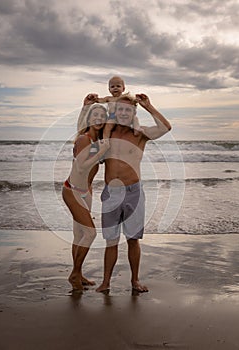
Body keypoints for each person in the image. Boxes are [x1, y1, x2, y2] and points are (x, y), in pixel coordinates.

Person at [96, 93, 172, 293]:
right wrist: (85, 105)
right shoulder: (107, 134)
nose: (123, 112)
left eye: (127, 110)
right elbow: (84, 132)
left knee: (132, 239)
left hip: (133, 192)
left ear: (133, 113)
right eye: (120, 109)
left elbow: (166, 128)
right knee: (111, 241)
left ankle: (134, 281)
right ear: (115, 111)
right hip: (112, 192)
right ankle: (106, 282)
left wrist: (149, 106)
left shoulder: (140, 134)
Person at [62, 103, 110, 291]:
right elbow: (82, 167)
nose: (98, 119)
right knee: (90, 233)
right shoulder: (84, 139)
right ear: (89, 119)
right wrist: (101, 152)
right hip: (72, 190)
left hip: (86, 193)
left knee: (79, 235)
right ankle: (74, 274)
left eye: (102, 116)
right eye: (95, 115)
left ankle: (79, 274)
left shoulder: (97, 140)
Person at [77, 76, 142, 139]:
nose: (115, 88)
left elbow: (132, 100)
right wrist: (94, 99)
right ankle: (106, 140)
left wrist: (138, 99)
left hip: (123, 118)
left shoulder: (124, 97)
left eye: (118, 86)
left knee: (135, 118)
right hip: (112, 117)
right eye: (112, 87)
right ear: (109, 90)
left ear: (123, 89)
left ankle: (137, 130)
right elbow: (100, 100)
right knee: (108, 127)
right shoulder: (109, 98)